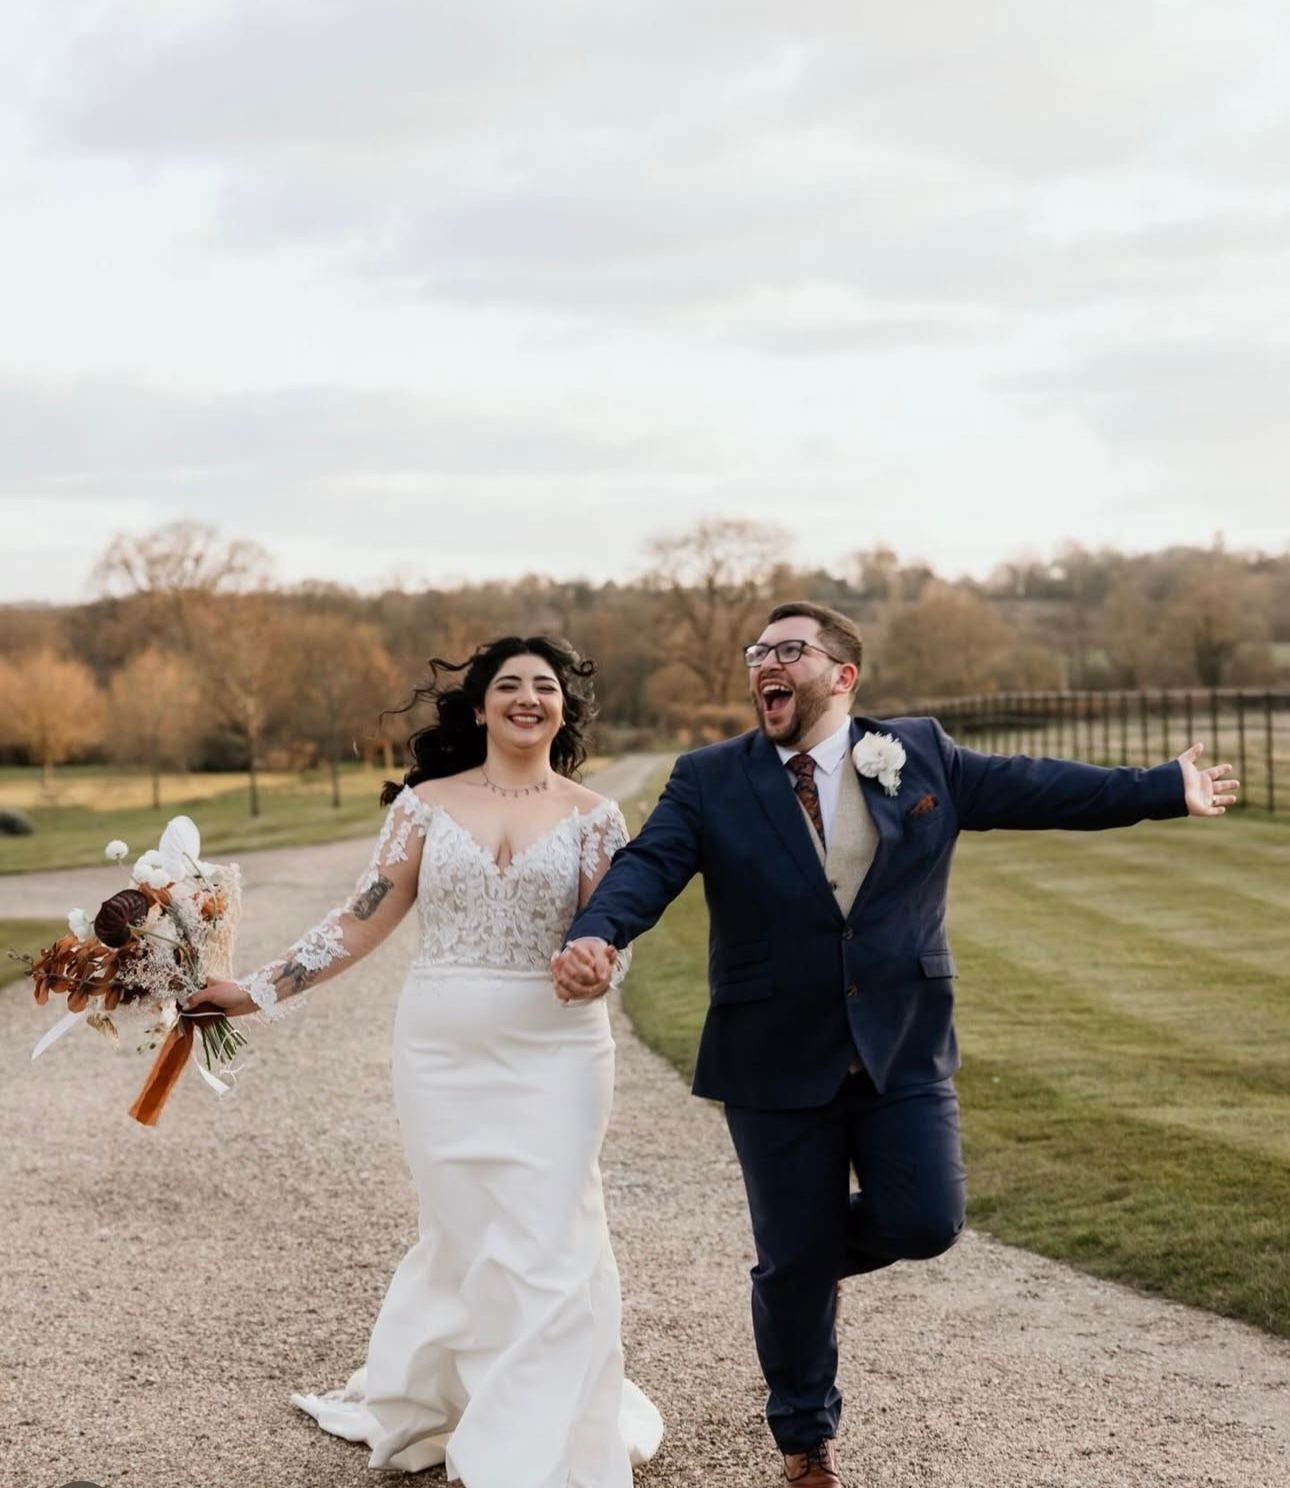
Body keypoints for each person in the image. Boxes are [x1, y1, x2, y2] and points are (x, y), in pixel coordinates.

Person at [550, 599, 1238, 1488]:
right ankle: (806, 1440)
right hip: (771, 1053)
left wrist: (1158, 788)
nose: (767, 662)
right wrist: (597, 933)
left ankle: (795, 1270)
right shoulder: (710, 777)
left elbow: (1037, 785)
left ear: (843, 675)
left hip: (901, 1044)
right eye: (758, 650)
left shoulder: (919, 753)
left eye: (790, 650)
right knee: (799, 1259)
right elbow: (648, 863)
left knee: (924, 1221)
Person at [192, 635, 663, 1487]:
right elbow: (359, 920)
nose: (528, 698)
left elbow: (610, 936)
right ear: (477, 707)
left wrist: (597, 970)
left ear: (565, 708)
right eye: (509, 685)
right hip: (443, 1051)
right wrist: (254, 989)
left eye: (545, 687)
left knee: (556, 1231)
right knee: (470, 1230)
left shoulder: (596, 815)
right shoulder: (424, 807)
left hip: (559, 1051)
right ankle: (468, 1399)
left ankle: (534, 1445)